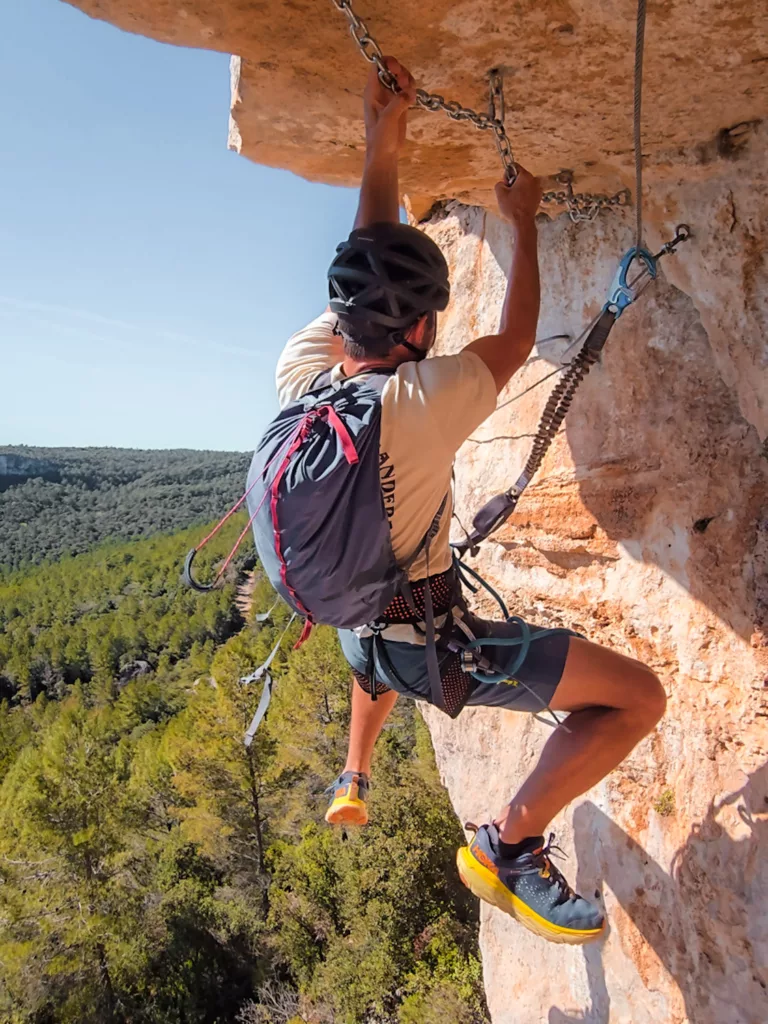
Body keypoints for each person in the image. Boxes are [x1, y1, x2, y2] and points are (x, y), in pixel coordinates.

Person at [275, 58, 667, 945]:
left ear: (342, 323)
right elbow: (518, 336)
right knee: (635, 698)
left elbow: (365, 259)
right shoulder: (422, 403)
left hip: (355, 619)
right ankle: (507, 847)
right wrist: (521, 224)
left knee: (375, 651)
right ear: (421, 331)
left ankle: (353, 773)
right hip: (424, 645)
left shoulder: (302, 379)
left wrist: (385, 135)